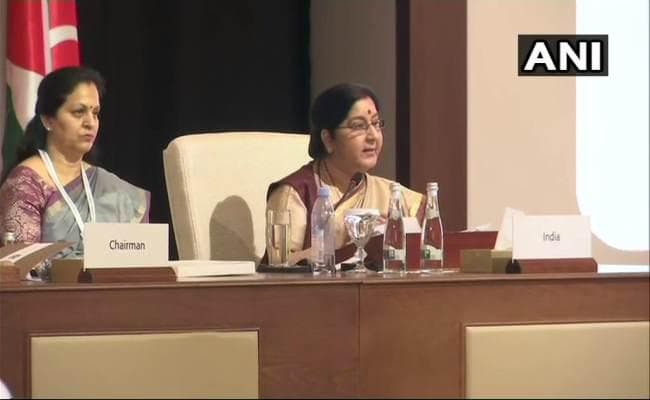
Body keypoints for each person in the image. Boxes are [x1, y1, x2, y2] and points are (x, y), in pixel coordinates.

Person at [266, 83, 423, 265]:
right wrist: (349, 239)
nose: (373, 136)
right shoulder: (295, 193)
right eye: (358, 126)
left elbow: (430, 246)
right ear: (328, 139)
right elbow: (279, 265)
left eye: (376, 124)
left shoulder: (391, 194)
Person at [0, 66, 150, 256]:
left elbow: (140, 256)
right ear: (48, 120)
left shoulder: (107, 185)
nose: (90, 122)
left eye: (95, 113)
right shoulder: (26, 183)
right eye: (79, 112)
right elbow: (24, 263)